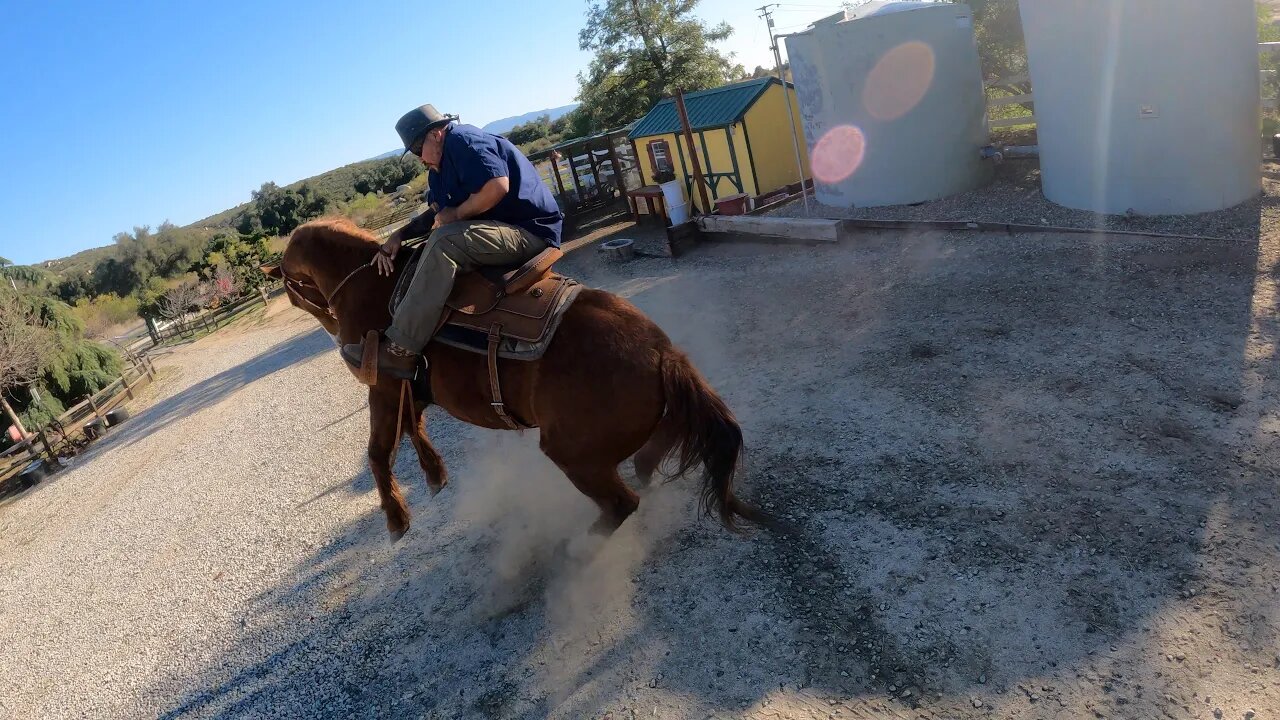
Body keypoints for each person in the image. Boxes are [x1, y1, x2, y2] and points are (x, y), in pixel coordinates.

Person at [339, 104, 563, 380]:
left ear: (436, 134)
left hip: (528, 231)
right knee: (433, 243)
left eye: (418, 149)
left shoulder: (463, 140)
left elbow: (497, 186)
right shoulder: (439, 169)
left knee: (444, 242)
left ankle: (400, 350)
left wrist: (456, 214)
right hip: (500, 230)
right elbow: (436, 212)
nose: (420, 159)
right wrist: (399, 235)